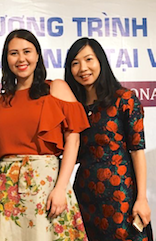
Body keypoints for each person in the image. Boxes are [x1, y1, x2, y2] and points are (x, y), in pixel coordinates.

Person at [0, 29, 89, 241]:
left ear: (37, 56)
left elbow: (73, 139)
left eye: (27, 51)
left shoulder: (56, 88)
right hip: (7, 191)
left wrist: (60, 188)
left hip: (47, 187)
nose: (21, 58)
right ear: (6, 59)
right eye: (14, 53)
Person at [64, 37, 153, 241]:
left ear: (101, 62)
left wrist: (141, 199)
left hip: (121, 196)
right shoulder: (73, 107)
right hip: (84, 197)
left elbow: (137, 151)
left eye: (88, 60)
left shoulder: (124, 99)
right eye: (75, 63)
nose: (83, 68)